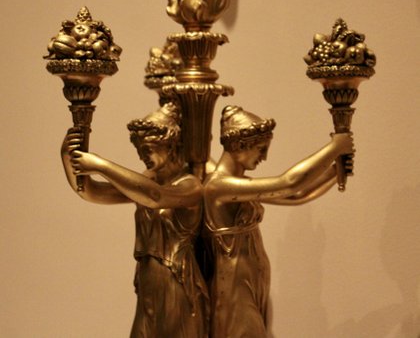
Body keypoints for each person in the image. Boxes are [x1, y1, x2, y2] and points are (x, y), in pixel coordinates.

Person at [203, 105, 354, 338]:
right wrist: (335, 147)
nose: (264, 157)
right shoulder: (218, 187)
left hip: (251, 278)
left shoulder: (239, 186)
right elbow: (287, 183)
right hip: (234, 283)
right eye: (261, 149)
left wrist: (334, 172)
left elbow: (296, 196)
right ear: (240, 146)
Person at [61, 102, 209, 338]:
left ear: (170, 145)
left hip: (176, 281)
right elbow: (91, 192)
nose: (142, 156)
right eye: (139, 150)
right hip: (147, 280)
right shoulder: (146, 180)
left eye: (148, 149)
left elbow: (156, 197)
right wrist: (68, 160)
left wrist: (101, 165)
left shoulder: (190, 186)